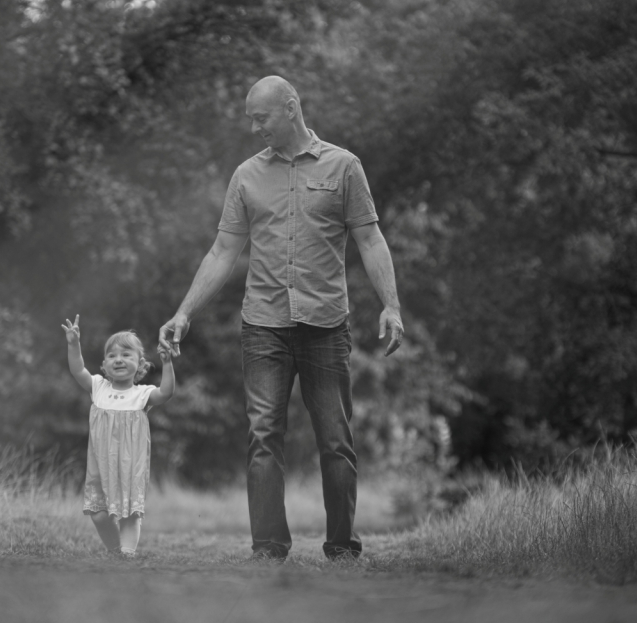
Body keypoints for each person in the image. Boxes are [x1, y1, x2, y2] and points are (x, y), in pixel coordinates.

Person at [158, 75, 403, 562]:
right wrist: (184, 312)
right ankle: (269, 548)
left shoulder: (344, 166)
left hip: (325, 327)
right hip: (264, 326)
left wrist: (391, 305)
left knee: (335, 439)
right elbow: (222, 251)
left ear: (290, 108)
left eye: (261, 117)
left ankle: (342, 547)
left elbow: (370, 240)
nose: (255, 128)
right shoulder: (246, 175)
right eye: (251, 119)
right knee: (263, 436)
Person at [62, 315, 175, 558]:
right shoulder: (98, 387)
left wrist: (167, 363)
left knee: (129, 513)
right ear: (104, 364)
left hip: (130, 465)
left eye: (126, 354)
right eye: (112, 356)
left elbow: (166, 392)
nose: (119, 359)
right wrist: (74, 344)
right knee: (98, 513)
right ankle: (116, 553)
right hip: (100, 465)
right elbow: (77, 369)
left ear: (140, 363)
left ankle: (127, 555)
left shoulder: (141, 394)